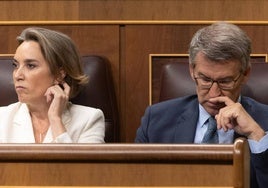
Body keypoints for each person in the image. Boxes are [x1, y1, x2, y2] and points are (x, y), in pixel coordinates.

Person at [135, 22, 268, 188]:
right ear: (192, 70)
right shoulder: (156, 121)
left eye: (225, 81)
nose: (214, 94)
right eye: (205, 79)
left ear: (245, 74)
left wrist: (256, 135)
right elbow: (137, 181)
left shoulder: (263, 123)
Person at [0, 27, 105, 143]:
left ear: (59, 75)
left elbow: (77, 162)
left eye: (30, 66)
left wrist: (55, 119)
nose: (17, 75)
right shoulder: (2, 118)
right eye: (16, 65)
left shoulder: (89, 120)